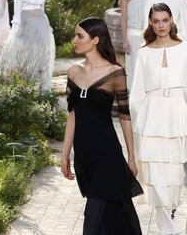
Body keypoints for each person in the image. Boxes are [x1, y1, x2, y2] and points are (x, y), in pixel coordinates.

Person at [130, 3, 187, 235]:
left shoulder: (186, 48)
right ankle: (167, 227)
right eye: (156, 21)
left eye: (165, 20)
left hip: (176, 116)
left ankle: (170, 215)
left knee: (174, 174)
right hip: (150, 118)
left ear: (172, 20)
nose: (161, 25)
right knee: (155, 174)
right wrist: (136, 129)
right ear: (150, 23)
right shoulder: (144, 53)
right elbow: (136, 93)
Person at [61, 17, 143, 235]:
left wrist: (131, 157)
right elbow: (72, 115)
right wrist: (65, 153)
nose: (75, 40)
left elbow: (125, 117)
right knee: (118, 212)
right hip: (85, 155)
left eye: (80, 36)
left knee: (94, 216)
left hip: (107, 153)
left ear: (95, 40)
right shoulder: (73, 72)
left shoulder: (115, 72)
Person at [119, 0, 154, 89]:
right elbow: (123, 19)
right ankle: (134, 102)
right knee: (134, 69)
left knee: (149, 69)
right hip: (133, 36)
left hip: (149, 35)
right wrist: (124, 41)